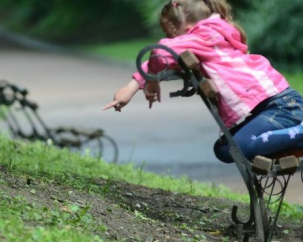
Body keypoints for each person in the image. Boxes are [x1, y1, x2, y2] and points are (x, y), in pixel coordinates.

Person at [102, 0, 303, 164]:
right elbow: (164, 57)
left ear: (184, 28)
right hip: (277, 106)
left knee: (238, 147)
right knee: (224, 149)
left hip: (280, 106)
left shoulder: (204, 36)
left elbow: (162, 53)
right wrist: (133, 86)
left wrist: (151, 82)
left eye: (170, 33)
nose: (170, 38)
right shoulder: (208, 37)